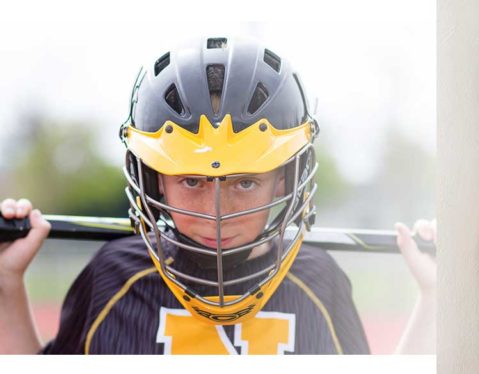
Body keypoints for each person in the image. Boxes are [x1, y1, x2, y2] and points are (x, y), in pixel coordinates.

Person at [0, 37, 435, 354]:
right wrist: (7, 283)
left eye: (244, 182)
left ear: (285, 179)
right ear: (154, 179)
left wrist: (435, 297)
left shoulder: (317, 283)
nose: (216, 213)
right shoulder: (113, 278)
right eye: (192, 181)